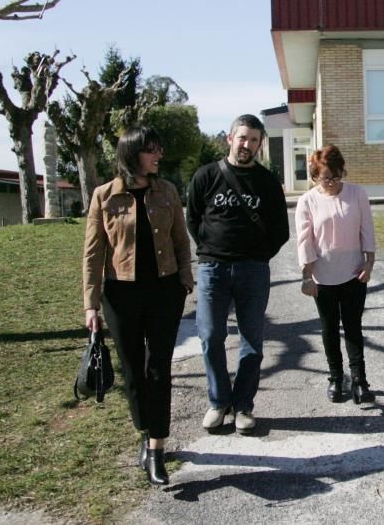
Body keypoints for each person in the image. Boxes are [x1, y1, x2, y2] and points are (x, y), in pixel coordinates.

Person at [82, 126, 194, 485]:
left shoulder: (167, 191)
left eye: (159, 149)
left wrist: (185, 280)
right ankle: (145, 434)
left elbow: (181, 239)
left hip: (164, 292)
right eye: (151, 150)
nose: (158, 156)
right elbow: (93, 253)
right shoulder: (104, 196)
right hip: (120, 295)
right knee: (132, 373)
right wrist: (90, 305)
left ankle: (158, 449)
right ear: (132, 154)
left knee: (159, 369)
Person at [186, 114, 289, 435]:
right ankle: (219, 402)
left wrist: (258, 258)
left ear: (260, 145)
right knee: (210, 336)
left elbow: (280, 231)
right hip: (212, 269)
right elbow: (193, 220)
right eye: (242, 138)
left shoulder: (267, 182)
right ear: (230, 139)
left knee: (252, 342)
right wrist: (211, 251)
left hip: (252, 271)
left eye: (254, 140)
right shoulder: (205, 176)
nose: (248, 145)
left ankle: (243, 405)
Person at [295, 145, 377, 404]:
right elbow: (304, 240)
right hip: (323, 277)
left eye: (335, 176)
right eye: (324, 178)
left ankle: (360, 380)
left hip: (354, 272)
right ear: (315, 176)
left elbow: (368, 229)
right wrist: (307, 275)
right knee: (329, 327)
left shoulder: (357, 194)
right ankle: (335, 377)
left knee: (353, 327)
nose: (330, 182)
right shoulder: (307, 201)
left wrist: (369, 262)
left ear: (342, 171)